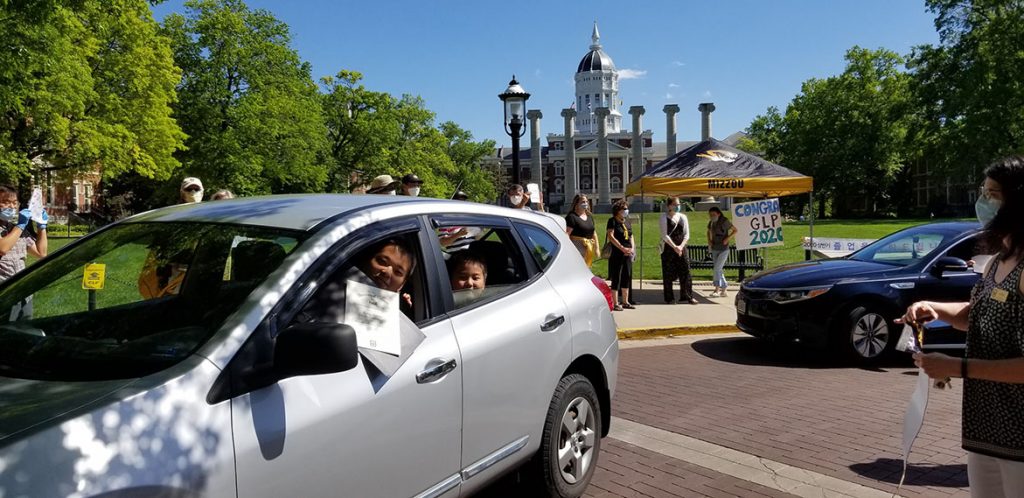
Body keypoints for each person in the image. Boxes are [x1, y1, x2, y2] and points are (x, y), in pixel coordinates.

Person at [900, 155, 1024, 498]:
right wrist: (935, 308)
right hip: (986, 429)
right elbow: (978, 314)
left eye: (994, 194)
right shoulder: (998, 261)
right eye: (983, 192)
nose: (984, 203)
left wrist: (958, 367)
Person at [0, 185, 47, 284]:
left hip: (20, 288)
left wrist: (41, 227)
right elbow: (2, 249)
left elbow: (41, 253)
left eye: (14, 203)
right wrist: (20, 225)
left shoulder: (16, 229)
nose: (12, 207)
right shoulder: (18, 229)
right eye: (5, 202)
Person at [660, 197, 696, 304]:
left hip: (681, 247)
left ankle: (687, 296)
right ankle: (669, 298)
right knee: (668, 273)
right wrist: (674, 247)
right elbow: (664, 235)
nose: (677, 206)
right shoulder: (663, 218)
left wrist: (680, 246)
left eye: (678, 204)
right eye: (675, 204)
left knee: (686, 271)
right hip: (668, 248)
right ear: (669, 206)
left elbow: (687, 234)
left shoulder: (683, 217)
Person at [606, 200, 635, 310]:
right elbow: (611, 236)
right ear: (617, 211)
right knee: (616, 276)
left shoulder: (627, 222)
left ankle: (625, 301)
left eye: (626, 209)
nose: (626, 211)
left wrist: (631, 248)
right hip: (617, 253)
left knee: (626, 276)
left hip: (627, 252)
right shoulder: (612, 221)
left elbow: (631, 236)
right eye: (624, 209)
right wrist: (621, 248)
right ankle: (615, 302)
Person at [707, 206, 737, 298]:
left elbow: (735, 230)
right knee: (718, 269)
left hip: (724, 248)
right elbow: (708, 231)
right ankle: (724, 289)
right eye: (710, 215)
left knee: (717, 268)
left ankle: (717, 289)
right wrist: (709, 240)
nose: (712, 216)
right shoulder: (711, 222)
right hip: (715, 248)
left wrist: (727, 239)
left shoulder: (724, 221)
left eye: (714, 214)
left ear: (719, 213)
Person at [565, 194, 599, 268]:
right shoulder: (571, 217)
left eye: (587, 201)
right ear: (576, 203)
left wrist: (597, 248)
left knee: (587, 269)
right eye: (583, 202)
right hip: (577, 249)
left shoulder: (589, 217)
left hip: (588, 248)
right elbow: (567, 234)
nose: (585, 203)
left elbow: (594, 233)